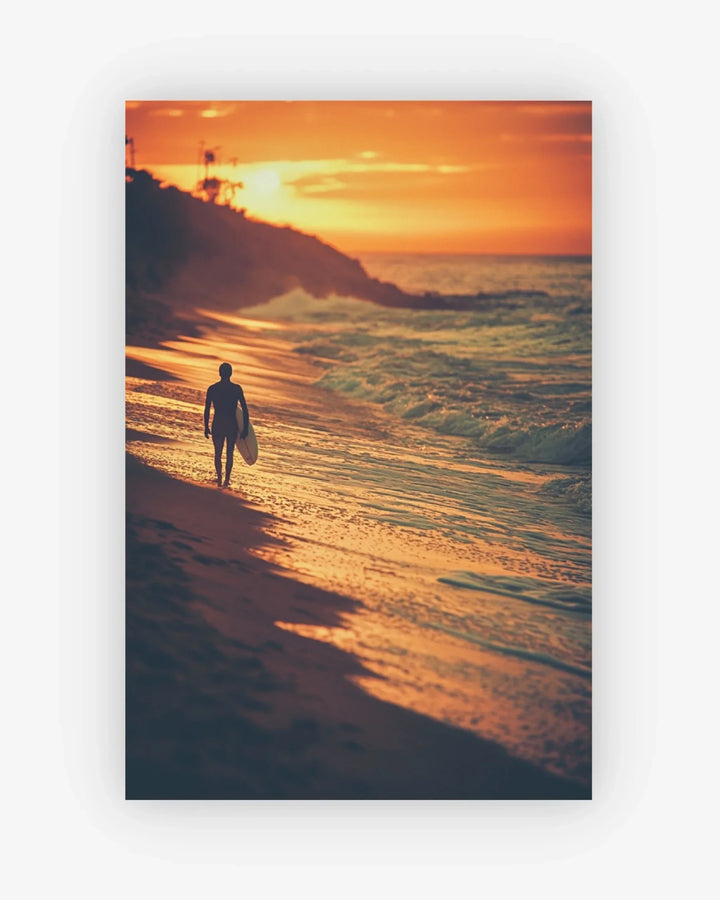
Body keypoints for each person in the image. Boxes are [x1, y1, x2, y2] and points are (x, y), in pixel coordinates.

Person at [204, 362, 250, 488]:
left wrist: (206, 426)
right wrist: (245, 428)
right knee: (230, 453)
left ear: (220, 373)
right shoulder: (236, 389)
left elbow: (207, 409)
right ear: (231, 374)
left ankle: (219, 479)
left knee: (217, 453)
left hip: (218, 423)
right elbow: (245, 410)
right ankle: (226, 480)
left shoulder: (212, 389)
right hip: (231, 425)